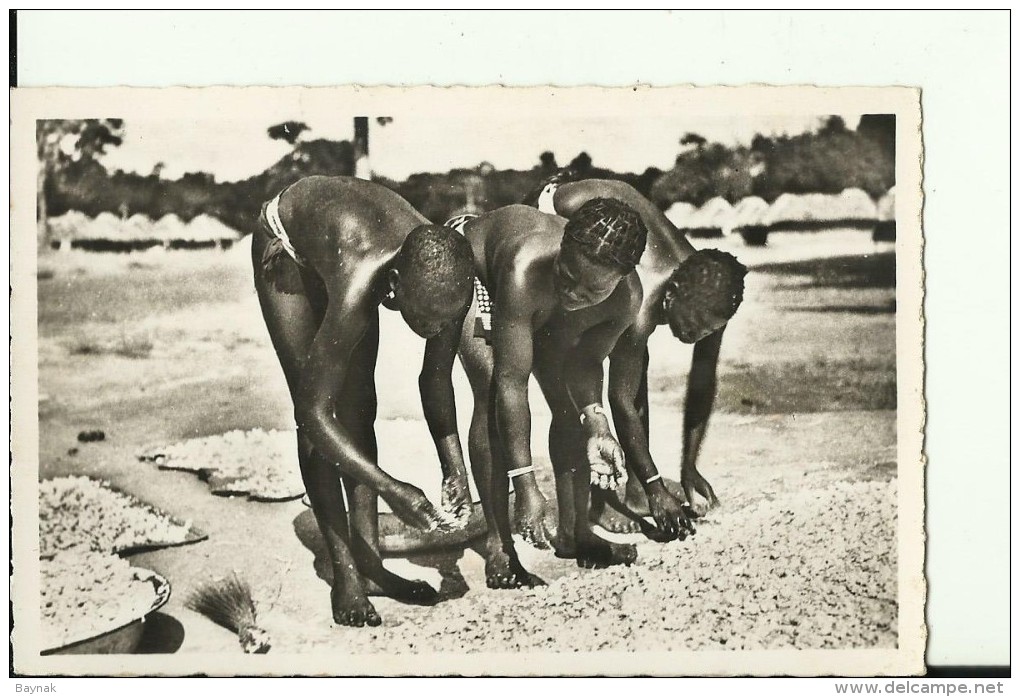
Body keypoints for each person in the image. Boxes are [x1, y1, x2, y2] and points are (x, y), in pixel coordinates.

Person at [252, 175, 476, 627]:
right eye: (425, 320)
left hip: (348, 239)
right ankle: (346, 573)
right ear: (393, 288)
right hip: (288, 241)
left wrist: (456, 469)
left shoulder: (450, 283)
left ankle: (371, 565)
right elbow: (312, 415)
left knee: (361, 407)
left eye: (443, 322)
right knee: (318, 410)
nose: (435, 330)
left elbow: (435, 380)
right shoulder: (362, 279)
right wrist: (389, 488)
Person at [449, 198, 684, 586]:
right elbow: (512, 382)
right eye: (568, 273)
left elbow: (584, 363)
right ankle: (499, 544)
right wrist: (525, 484)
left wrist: (597, 423)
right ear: (561, 250)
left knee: (570, 409)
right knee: (491, 393)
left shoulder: (626, 300)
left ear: (621, 278)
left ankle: (575, 535)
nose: (574, 293)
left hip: (537, 295)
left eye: (591, 289)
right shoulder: (527, 268)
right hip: (478, 270)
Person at [528, 177, 747, 534]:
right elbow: (619, 398)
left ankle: (635, 487)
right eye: (692, 324)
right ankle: (596, 503)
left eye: (706, 331)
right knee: (577, 373)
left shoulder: (714, 296)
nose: (695, 336)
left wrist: (689, 467)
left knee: (633, 361)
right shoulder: (643, 298)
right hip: (561, 207)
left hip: (611, 204)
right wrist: (656, 486)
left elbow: (702, 384)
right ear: (672, 295)